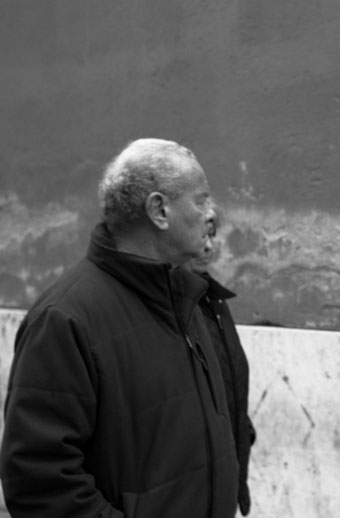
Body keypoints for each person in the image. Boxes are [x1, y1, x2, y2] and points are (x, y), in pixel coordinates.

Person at [0, 138, 239, 517]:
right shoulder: (63, 319)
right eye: (201, 199)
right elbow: (39, 481)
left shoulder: (185, 297)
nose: (211, 213)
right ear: (159, 210)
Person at [187, 215, 255, 517]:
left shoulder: (213, 300)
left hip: (224, 476)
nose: (208, 247)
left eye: (212, 236)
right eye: (200, 236)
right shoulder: (174, 307)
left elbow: (228, 374)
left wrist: (242, 432)